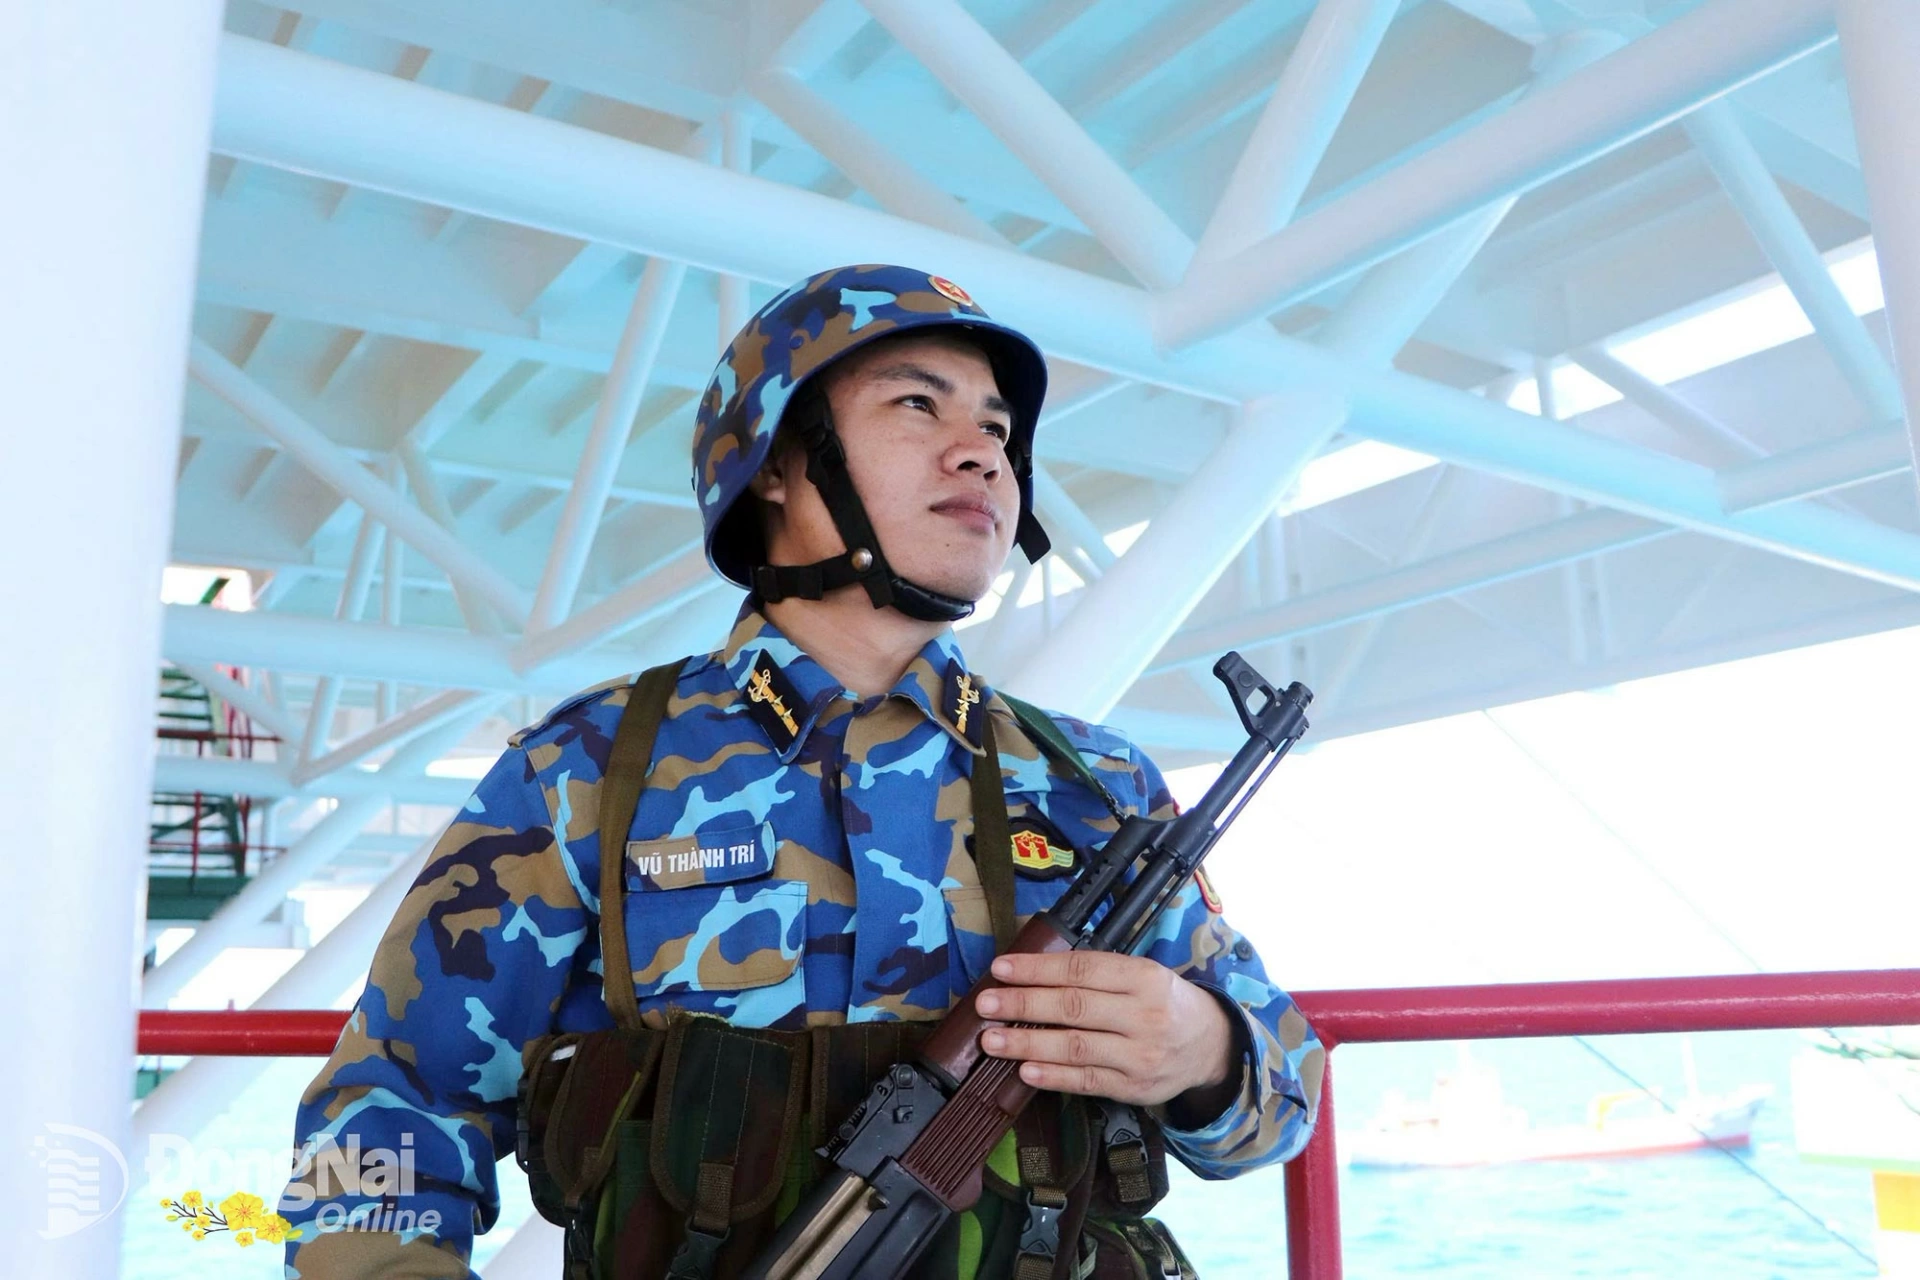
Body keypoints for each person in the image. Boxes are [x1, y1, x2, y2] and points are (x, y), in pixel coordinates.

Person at [279, 264, 1324, 1279]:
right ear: (776, 462)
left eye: (999, 429)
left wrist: (1206, 1051)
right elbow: (391, 1109)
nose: (983, 455)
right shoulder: (587, 771)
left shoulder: (1097, 786)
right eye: (919, 404)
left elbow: (1284, 1098)